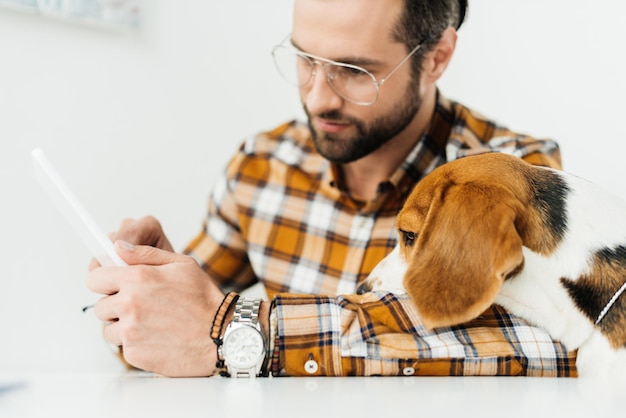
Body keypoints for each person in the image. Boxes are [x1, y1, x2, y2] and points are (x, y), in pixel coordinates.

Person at [87, 0, 577, 378]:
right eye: (305, 59)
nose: (318, 98)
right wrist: (150, 297)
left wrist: (254, 330)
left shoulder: (514, 175)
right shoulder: (261, 166)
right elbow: (191, 332)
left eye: (353, 71)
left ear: (436, 57)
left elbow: (547, 341)